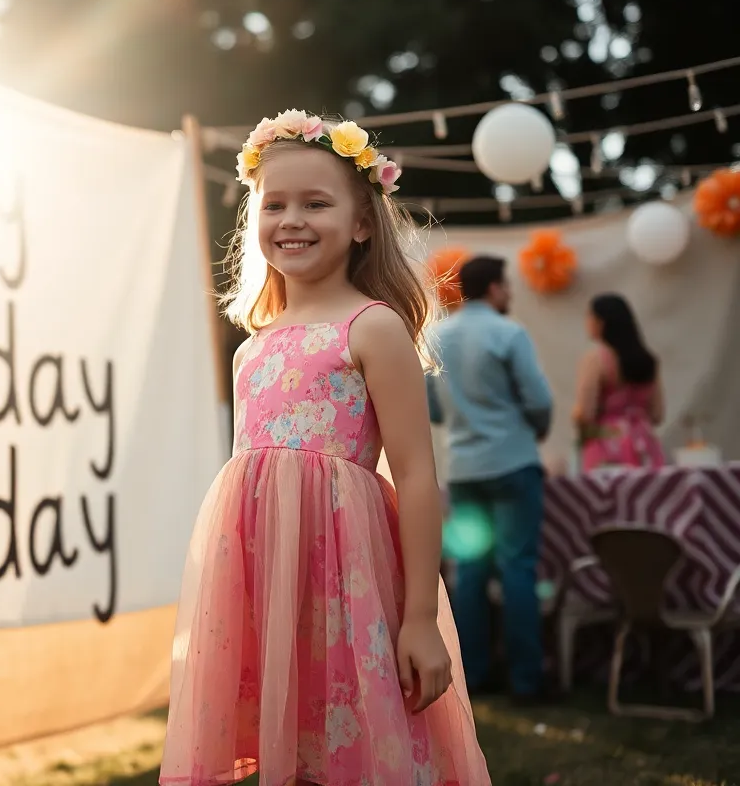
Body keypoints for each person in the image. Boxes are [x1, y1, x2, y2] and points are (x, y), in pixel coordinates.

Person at [160, 110, 490, 786]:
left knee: (354, 744)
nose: (293, 219)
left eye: (316, 203)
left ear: (363, 222)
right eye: (275, 203)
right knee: (290, 745)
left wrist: (421, 616)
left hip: (349, 581)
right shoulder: (253, 347)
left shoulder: (372, 329)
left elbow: (418, 477)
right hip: (265, 587)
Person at [425, 255, 553, 703]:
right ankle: (526, 681)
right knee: (518, 568)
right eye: (507, 285)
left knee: (472, 572)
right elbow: (538, 398)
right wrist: (532, 425)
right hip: (513, 461)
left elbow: (434, 409)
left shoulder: (437, 336)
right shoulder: (508, 332)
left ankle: (474, 674)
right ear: (495, 288)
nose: (510, 293)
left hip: (463, 469)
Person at [574, 293, 665, 471]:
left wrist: (575, 415)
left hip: (607, 444)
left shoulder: (596, 359)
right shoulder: (649, 360)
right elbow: (657, 414)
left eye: (589, 316)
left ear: (600, 323)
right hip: (645, 444)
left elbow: (585, 413)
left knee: (608, 497)